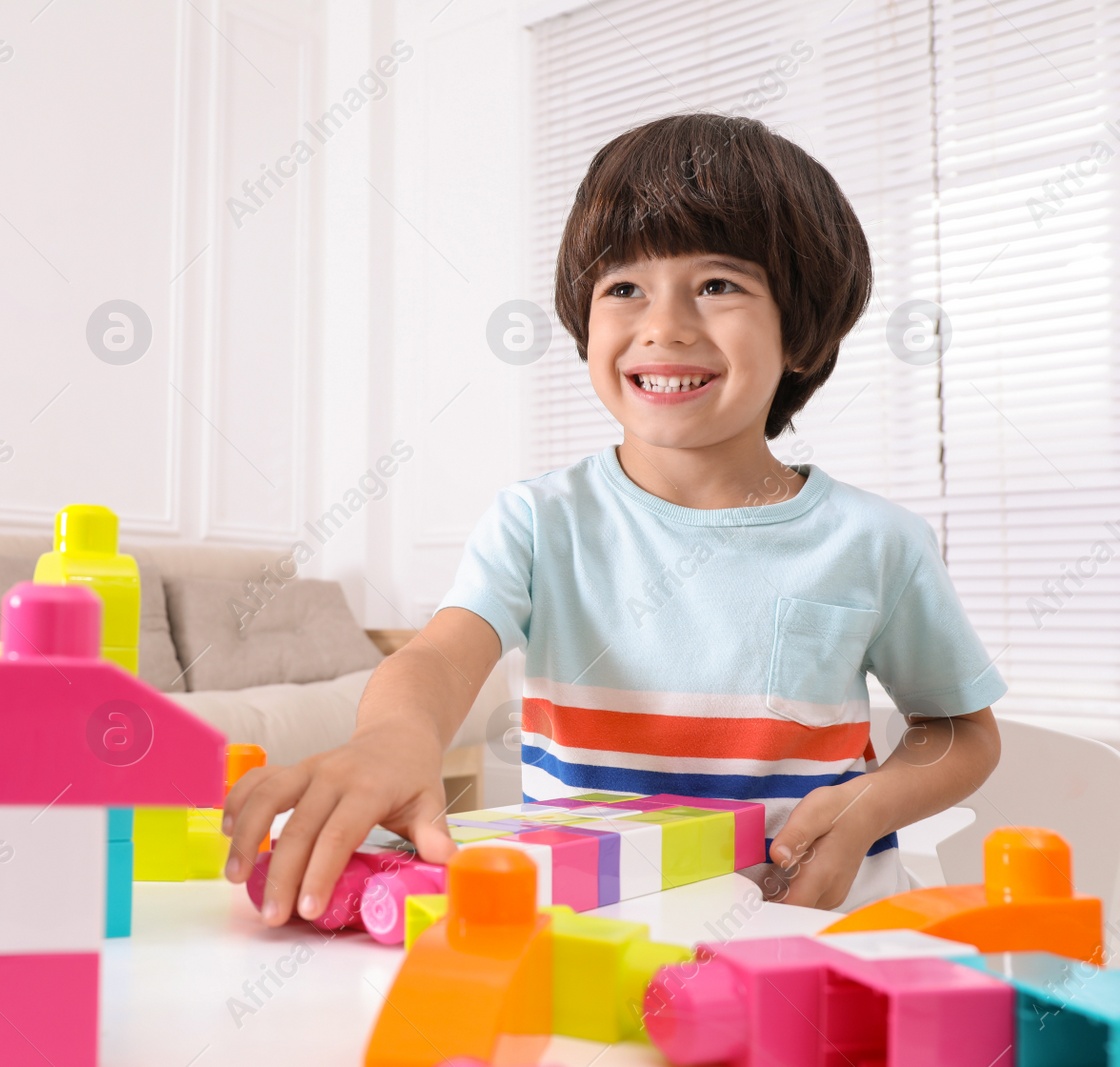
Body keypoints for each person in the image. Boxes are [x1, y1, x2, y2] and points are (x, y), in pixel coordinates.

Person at [223, 112, 1004, 921]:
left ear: (801, 332)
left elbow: (960, 730)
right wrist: (392, 737)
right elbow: (438, 660)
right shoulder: (538, 520)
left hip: (813, 933)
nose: (662, 324)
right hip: (592, 934)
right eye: (623, 287)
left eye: (718, 285)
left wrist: (871, 803)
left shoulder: (877, 542)